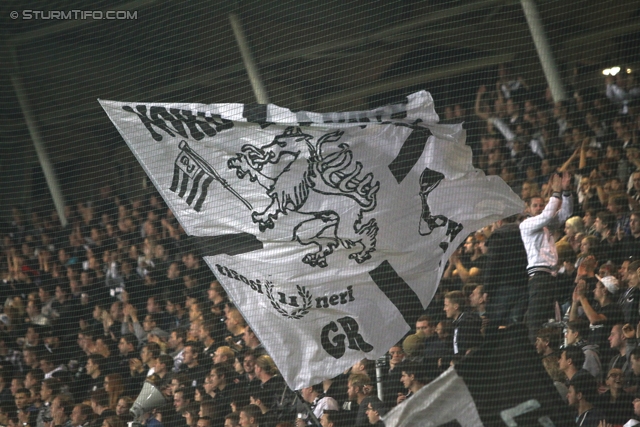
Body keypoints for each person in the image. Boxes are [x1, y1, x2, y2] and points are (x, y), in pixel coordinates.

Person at [520, 172, 573, 342]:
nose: (540, 208)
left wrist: (565, 191)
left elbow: (566, 213)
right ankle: (534, 350)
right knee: (537, 323)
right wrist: (555, 193)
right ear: (528, 209)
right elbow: (548, 215)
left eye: (542, 205)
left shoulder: (547, 225)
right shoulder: (526, 225)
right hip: (540, 278)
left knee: (553, 320)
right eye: (535, 205)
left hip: (551, 277)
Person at [443, 290, 482, 356]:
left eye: (446, 305)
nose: (444, 309)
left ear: (456, 306)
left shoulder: (467, 323)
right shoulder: (455, 323)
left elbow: (465, 349)